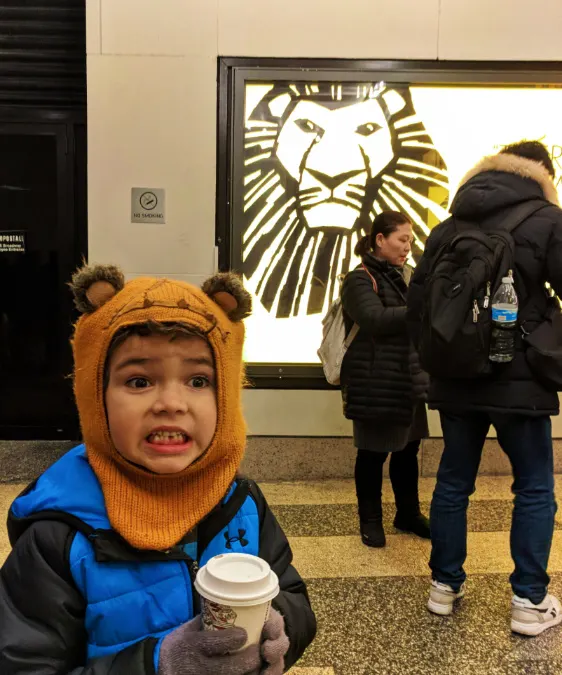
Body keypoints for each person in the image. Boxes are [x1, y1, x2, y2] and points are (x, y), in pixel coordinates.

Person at [0, 265, 316, 673]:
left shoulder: (241, 504)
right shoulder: (58, 537)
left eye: (199, 380)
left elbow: (289, 589)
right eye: (138, 381)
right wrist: (158, 665)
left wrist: (283, 628)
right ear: (96, 401)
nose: (171, 402)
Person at [407, 141, 562, 636]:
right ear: (543, 173)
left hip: (456, 378)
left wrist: (439, 363)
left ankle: (444, 588)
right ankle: (528, 601)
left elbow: (419, 309)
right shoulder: (548, 220)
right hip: (520, 378)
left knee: (454, 482)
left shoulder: (447, 227)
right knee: (534, 486)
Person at [340, 210, 430, 548]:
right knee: (373, 454)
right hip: (374, 382)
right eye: (401, 239)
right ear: (380, 239)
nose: (408, 246)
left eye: (410, 240)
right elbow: (374, 318)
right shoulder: (358, 279)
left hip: (408, 380)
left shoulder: (407, 276)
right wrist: (421, 308)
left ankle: (408, 513)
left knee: (408, 451)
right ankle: (371, 520)